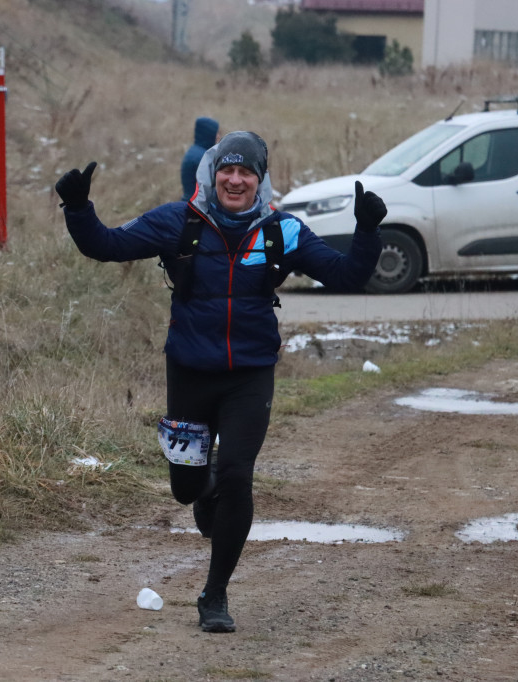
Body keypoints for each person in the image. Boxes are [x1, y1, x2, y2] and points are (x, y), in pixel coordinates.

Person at [54, 131, 386, 633]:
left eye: (246, 172)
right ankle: (203, 489)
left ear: (260, 180)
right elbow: (107, 246)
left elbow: (346, 276)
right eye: (227, 171)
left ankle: (215, 595)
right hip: (189, 372)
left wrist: (366, 229)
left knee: (236, 475)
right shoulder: (178, 222)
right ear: (212, 174)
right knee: (188, 491)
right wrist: (77, 206)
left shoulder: (282, 232)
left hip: (249, 377)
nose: (235, 180)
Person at [181, 117, 220, 201]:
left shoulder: (195, 151)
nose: (218, 136)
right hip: (196, 205)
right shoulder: (202, 157)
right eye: (216, 133)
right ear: (209, 134)